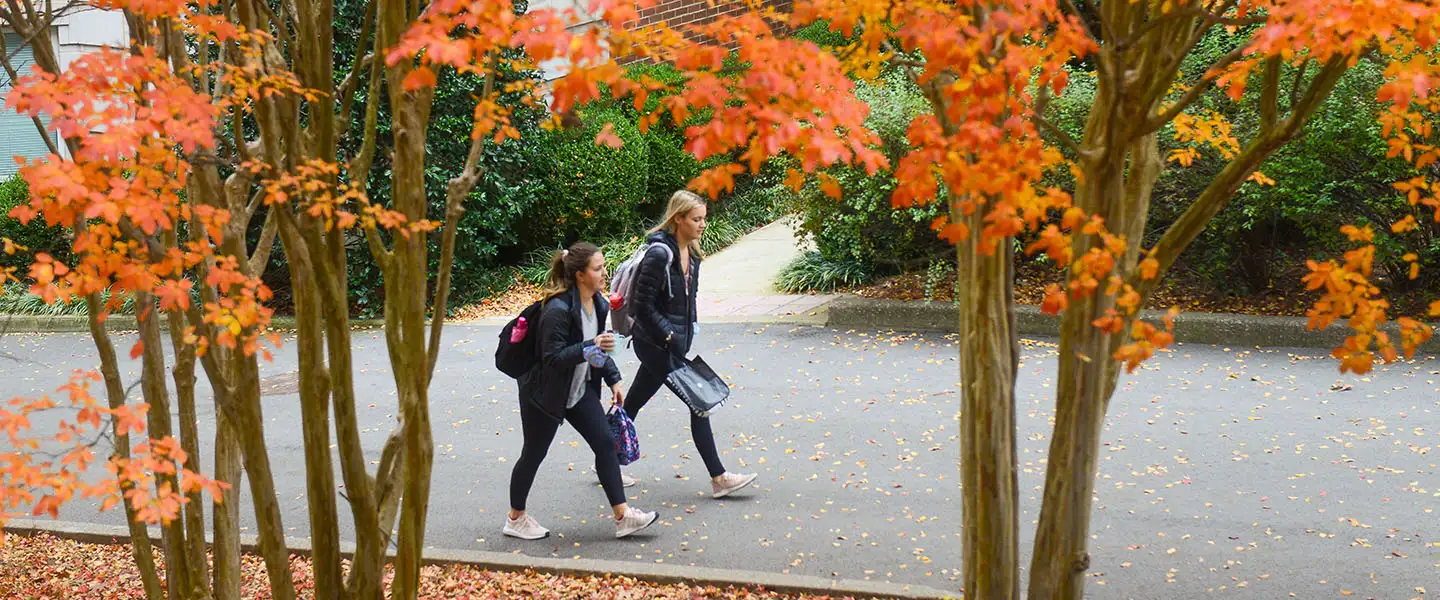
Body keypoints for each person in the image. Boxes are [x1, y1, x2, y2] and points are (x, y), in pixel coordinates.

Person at [505, 242, 660, 540]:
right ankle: (515, 518)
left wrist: (613, 378)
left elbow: (598, 351)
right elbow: (552, 359)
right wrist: (590, 347)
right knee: (533, 454)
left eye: (603, 266)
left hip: (578, 390)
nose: (604, 273)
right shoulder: (557, 310)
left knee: (605, 443)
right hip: (544, 394)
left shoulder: (599, 304)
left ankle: (623, 516)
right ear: (579, 274)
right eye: (598, 268)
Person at [622, 190, 759, 498]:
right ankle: (719, 477)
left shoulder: (692, 254)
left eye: (704, 219)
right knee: (700, 402)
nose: (701, 225)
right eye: (696, 219)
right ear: (678, 218)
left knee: (633, 403)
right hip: (655, 343)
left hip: (675, 343)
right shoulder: (660, 254)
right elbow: (641, 306)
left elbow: (689, 299)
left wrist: (688, 331)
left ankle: (604, 459)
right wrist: (669, 335)